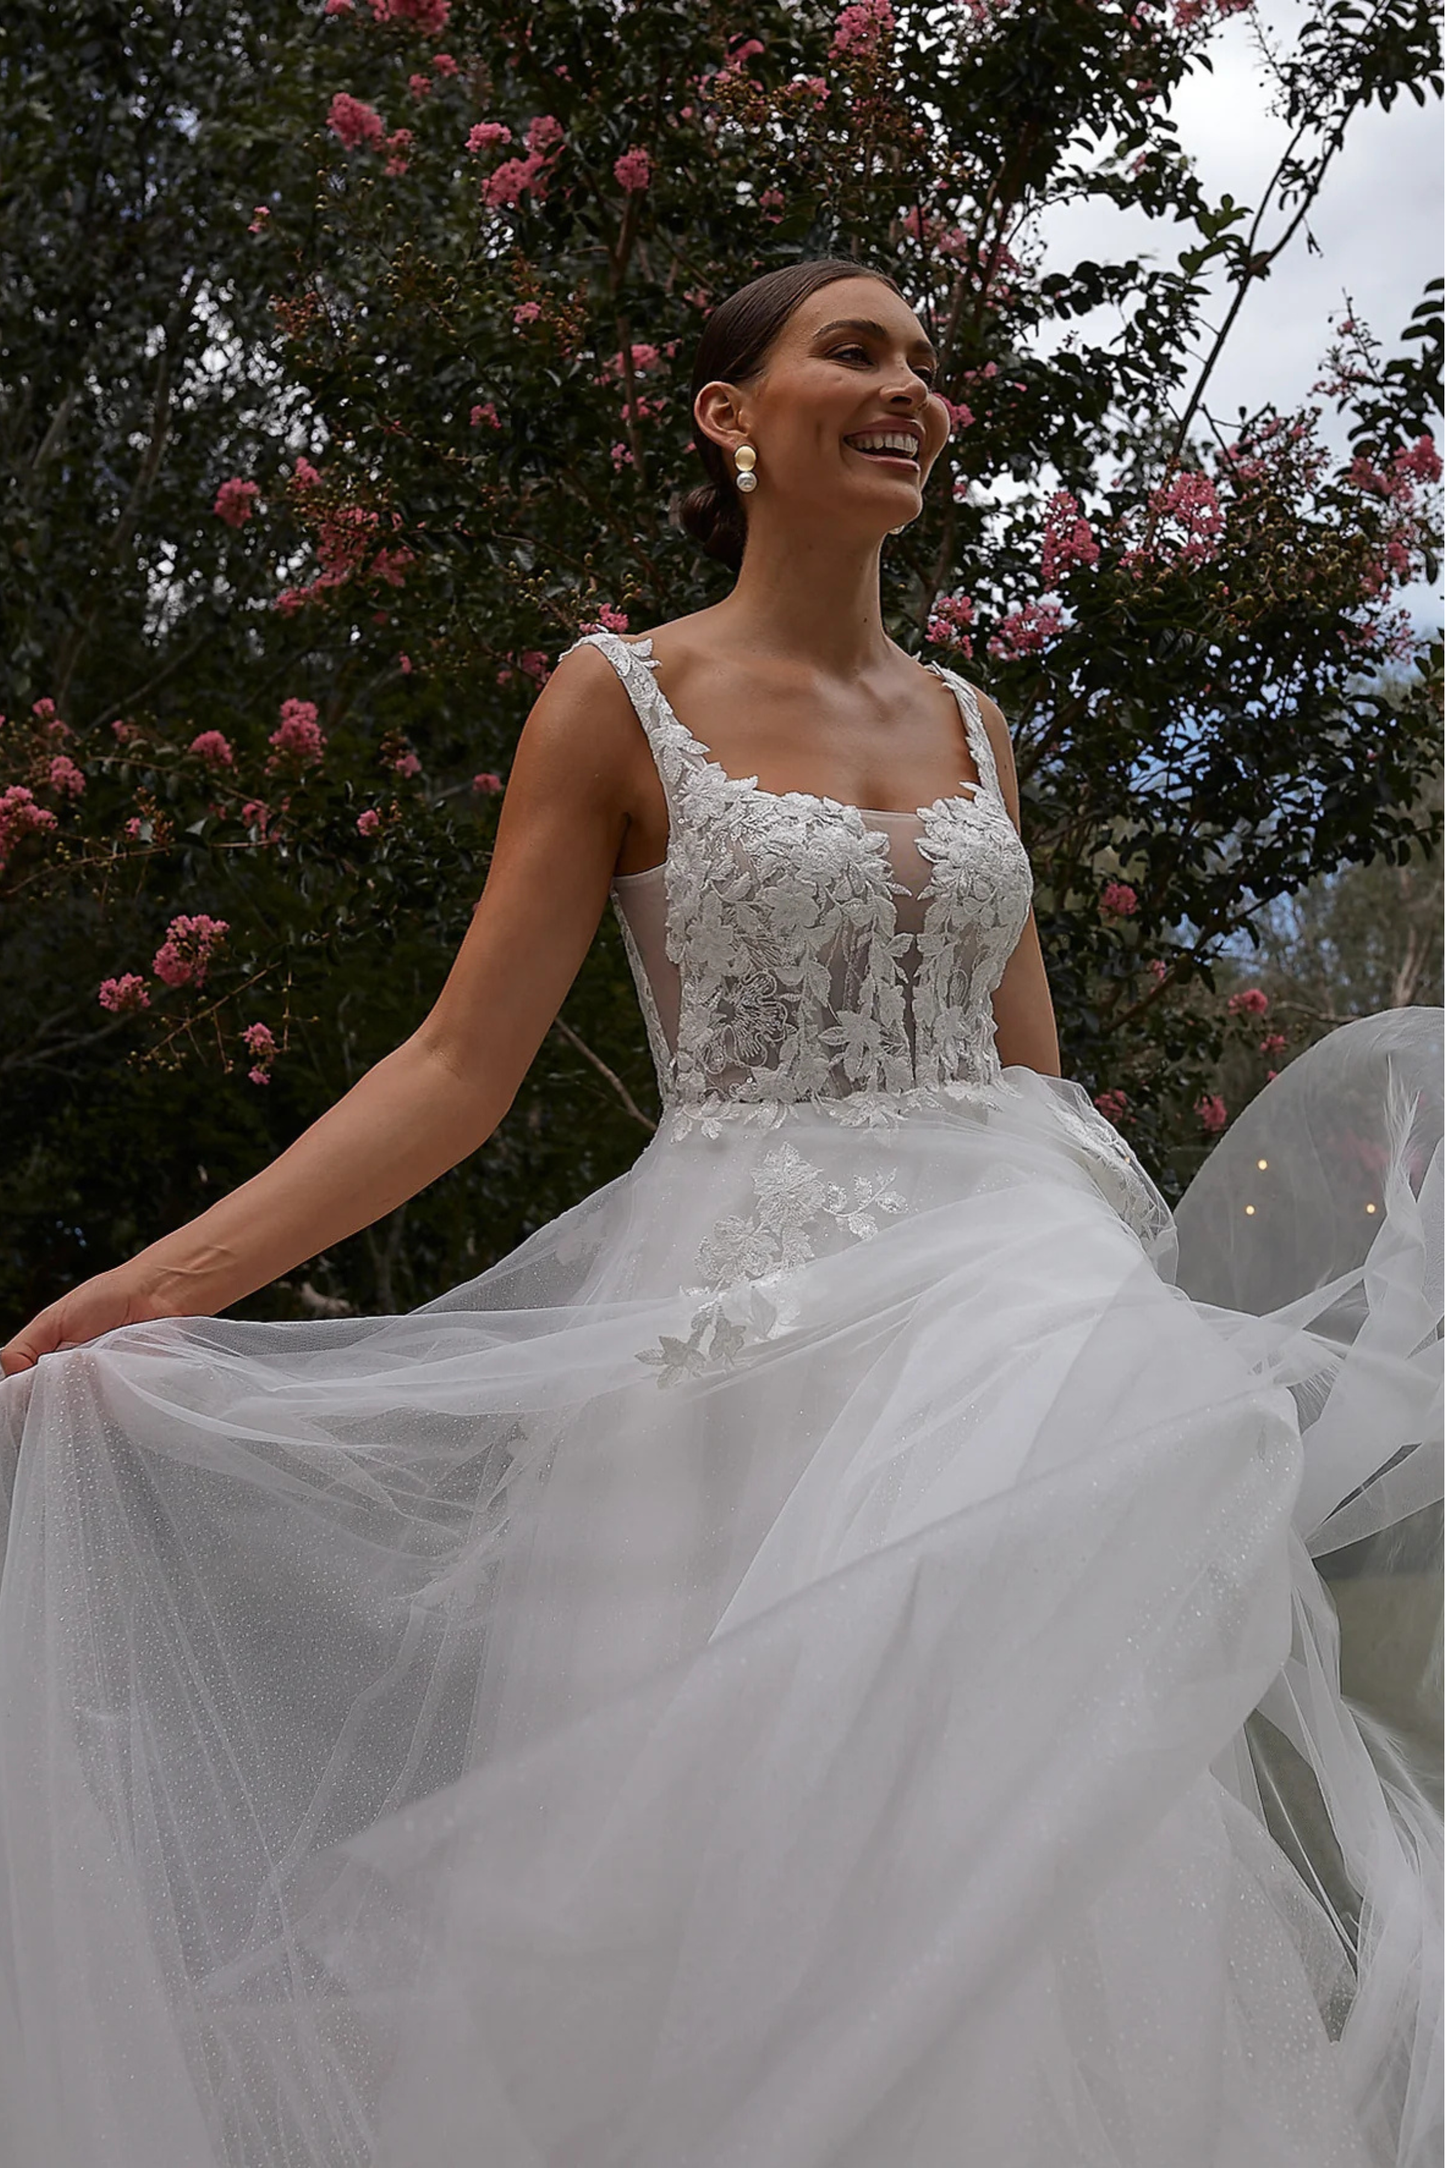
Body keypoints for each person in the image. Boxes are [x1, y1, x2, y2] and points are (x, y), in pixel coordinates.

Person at [0, 257, 1439, 2168]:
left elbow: (1036, 1082)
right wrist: (151, 1291)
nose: (910, 388)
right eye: (855, 351)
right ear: (727, 414)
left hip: (1010, 1331)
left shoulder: (980, 724)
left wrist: (1132, 1347)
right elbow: (454, 1071)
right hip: (745, 1353)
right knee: (730, 1874)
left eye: (928, 362)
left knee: (1014, 1851)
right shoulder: (621, 701)